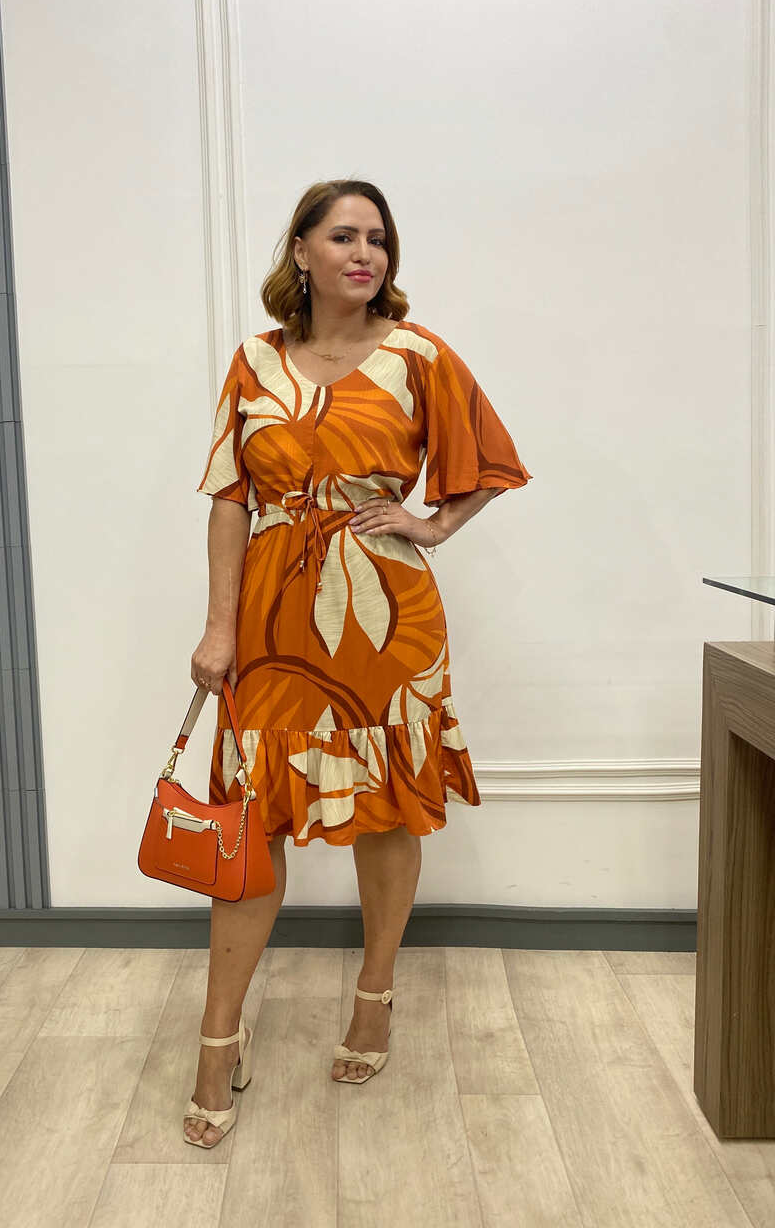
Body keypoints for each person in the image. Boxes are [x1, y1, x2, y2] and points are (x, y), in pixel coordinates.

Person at [184, 179, 533, 1147]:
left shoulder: (419, 356)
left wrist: (433, 524)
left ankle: (375, 994)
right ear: (301, 250)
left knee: (384, 810)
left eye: (378, 238)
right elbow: (229, 499)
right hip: (271, 621)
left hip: (385, 618)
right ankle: (217, 1037)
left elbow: (491, 462)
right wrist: (218, 628)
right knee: (251, 822)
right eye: (343, 235)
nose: (365, 253)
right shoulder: (255, 362)